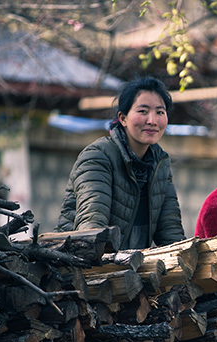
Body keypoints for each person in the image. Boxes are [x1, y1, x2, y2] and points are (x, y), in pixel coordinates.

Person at [56, 77, 185, 250]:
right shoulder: (98, 156)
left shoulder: (160, 164)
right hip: (80, 265)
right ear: (123, 118)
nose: (152, 121)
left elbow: (172, 236)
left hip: (132, 268)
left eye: (160, 112)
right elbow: (92, 228)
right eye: (143, 111)